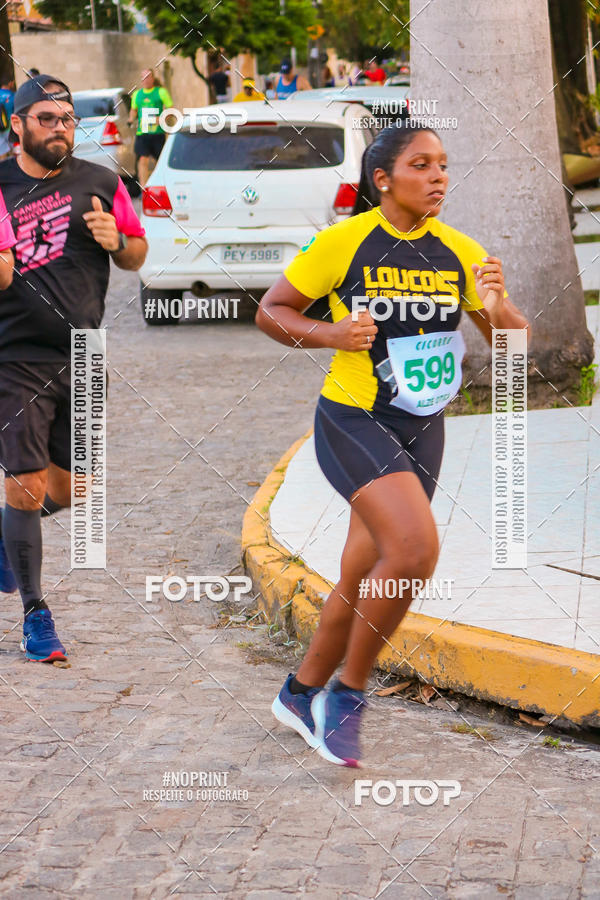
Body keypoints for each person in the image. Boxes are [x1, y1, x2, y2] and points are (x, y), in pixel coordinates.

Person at [256, 124, 530, 767]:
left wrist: (495, 303)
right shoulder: (344, 242)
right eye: (421, 164)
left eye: (443, 165)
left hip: (422, 426)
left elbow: (514, 345)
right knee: (413, 548)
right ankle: (346, 697)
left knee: (360, 573)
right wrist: (333, 334)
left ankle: (299, 693)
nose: (438, 176)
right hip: (353, 419)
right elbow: (272, 311)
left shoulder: (460, 251)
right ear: (383, 178)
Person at [0, 74, 148, 662]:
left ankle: (6, 537)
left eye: (67, 118)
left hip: (85, 356)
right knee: (27, 485)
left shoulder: (103, 180)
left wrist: (118, 240)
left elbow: (138, 255)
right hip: (16, 355)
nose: (60, 128)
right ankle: (38, 618)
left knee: (72, 489)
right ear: (18, 124)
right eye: (46, 118)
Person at [128, 68, 173, 187]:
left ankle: (163, 184)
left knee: (160, 161)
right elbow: (133, 110)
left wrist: (162, 119)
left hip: (157, 133)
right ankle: (144, 187)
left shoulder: (161, 92)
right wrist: (131, 119)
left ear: (152, 78)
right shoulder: (137, 94)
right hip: (142, 133)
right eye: (143, 78)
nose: (146, 80)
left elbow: (170, 109)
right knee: (143, 159)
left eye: (148, 77)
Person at [0, 77, 15, 159]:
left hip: (0, 130)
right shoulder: (13, 95)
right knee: (14, 151)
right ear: (10, 83)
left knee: (2, 153)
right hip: (10, 127)